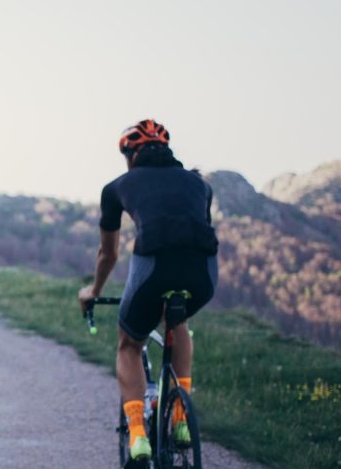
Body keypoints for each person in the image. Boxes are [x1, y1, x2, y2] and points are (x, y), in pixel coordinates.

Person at [76, 119, 218, 462]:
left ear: (129, 154)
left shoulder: (117, 187)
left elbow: (108, 254)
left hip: (154, 266)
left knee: (129, 343)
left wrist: (93, 291)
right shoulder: (200, 185)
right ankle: (182, 419)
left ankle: (138, 434)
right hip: (204, 274)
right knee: (177, 321)